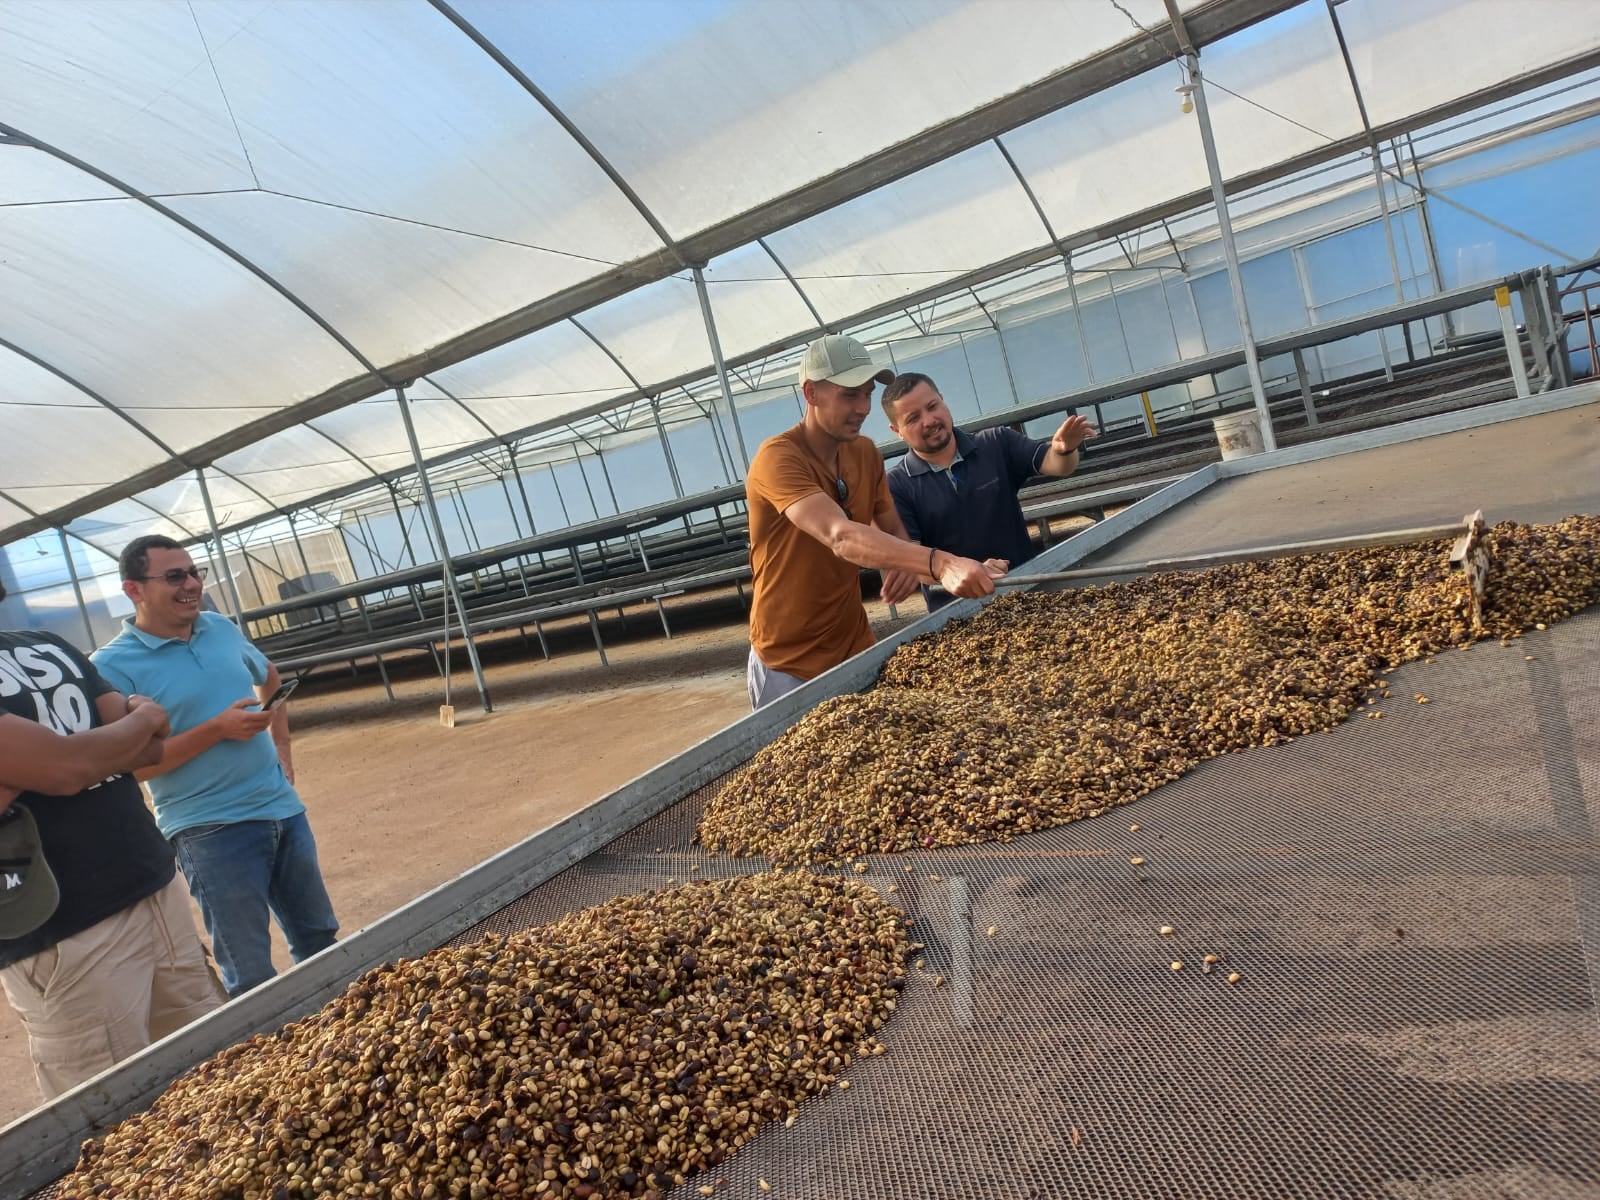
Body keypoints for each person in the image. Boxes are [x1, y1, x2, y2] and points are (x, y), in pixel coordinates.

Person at [0, 579, 221, 1100]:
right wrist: (126, 727)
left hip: (153, 888)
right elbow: (65, 768)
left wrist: (75, 756)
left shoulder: (45, 644)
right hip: (61, 928)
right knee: (112, 1113)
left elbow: (151, 747)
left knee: (217, 1073)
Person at [92, 536, 339, 998]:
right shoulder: (110, 667)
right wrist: (217, 730)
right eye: (174, 576)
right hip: (210, 830)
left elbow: (268, 675)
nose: (191, 584)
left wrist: (281, 747)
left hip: (283, 811)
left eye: (194, 572)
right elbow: (132, 768)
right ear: (134, 590)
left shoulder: (219, 627)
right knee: (250, 972)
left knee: (320, 939)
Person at [743, 335, 1003, 709]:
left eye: (867, 394)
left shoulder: (864, 453)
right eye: (850, 395)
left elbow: (895, 534)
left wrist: (963, 569)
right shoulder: (778, 458)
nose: (864, 408)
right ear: (811, 393)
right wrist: (942, 564)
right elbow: (841, 536)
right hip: (787, 660)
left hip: (853, 643)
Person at [883, 371, 1096, 610]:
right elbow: (911, 560)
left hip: (1027, 592)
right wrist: (956, 571)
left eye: (933, 406)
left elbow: (1057, 465)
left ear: (942, 400)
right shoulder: (896, 485)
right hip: (957, 613)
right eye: (913, 418)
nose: (929, 420)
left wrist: (1064, 450)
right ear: (897, 430)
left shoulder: (995, 443)